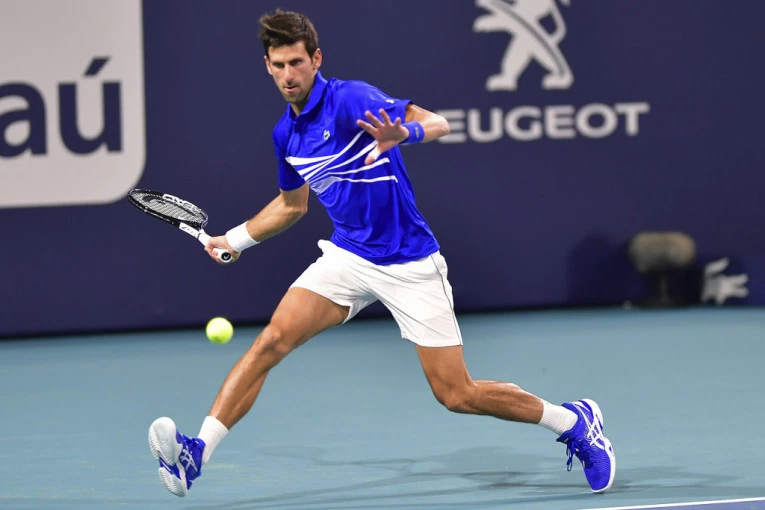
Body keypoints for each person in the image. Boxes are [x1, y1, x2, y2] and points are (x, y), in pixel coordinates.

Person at [147, 8, 615, 498]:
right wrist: (236, 239)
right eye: (278, 65)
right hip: (348, 257)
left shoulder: (351, 99)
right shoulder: (286, 135)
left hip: (409, 262)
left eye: (296, 63)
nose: (288, 75)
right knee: (270, 343)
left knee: (457, 394)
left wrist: (404, 133)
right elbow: (291, 206)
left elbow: (437, 123)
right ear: (267, 65)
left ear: (316, 59)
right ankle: (195, 454)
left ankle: (573, 421)